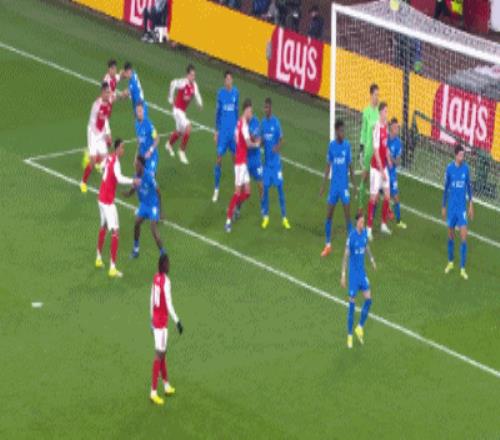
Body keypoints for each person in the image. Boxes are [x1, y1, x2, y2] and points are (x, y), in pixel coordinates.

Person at [96, 139, 138, 278]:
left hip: (101, 198)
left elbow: (101, 167)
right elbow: (119, 179)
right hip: (107, 202)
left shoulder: (109, 157)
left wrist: (106, 175)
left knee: (104, 226)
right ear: (117, 149)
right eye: (122, 147)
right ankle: (112, 268)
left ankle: (98, 258)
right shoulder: (116, 162)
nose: (123, 150)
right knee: (115, 232)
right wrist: (133, 181)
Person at [149, 254, 183, 405]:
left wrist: (151, 319)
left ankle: (166, 385)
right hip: (162, 322)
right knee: (159, 355)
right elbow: (169, 304)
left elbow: (151, 299)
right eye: (167, 263)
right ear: (163, 265)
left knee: (162, 353)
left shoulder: (156, 277)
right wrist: (177, 321)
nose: (169, 265)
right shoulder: (166, 282)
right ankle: (153, 392)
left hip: (156, 320)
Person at [319, 119, 355, 257]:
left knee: (348, 217)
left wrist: (354, 185)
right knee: (329, 215)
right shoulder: (331, 146)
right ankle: (328, 245)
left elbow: (350, 166)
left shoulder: (347, 146)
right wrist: (323, 185)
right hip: (334, 187)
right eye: (340, 131)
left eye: (343, 130)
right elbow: (328, 167)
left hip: (344, 187)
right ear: (336, 131)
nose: (343, 133)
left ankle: (351, 245)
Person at [341, 212, 376, 349]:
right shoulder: (352, 237)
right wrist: (343, 275)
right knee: (352, 305)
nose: (363, 224)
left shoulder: (364, 233)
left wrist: (372, 260)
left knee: (369, 299)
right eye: (361, 222)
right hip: (353, 276)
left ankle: (360, 327)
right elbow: (345, 256)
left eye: (364, 221)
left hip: (362, 273)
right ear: (357, 223)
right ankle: (349, 335)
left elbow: (366, 247)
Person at [225, 99, 259, 233]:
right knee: (237, 192)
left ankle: (233, 207)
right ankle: (228, 220)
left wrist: (242, 144)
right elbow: (249, 144)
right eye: (250, 111)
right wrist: (257, 144)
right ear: (246, 110)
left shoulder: (239, 122)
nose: (251, 114)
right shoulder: (244, 125)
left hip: (242, 161)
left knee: (248, 192)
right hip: (240, 163)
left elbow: (236, 138)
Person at [123, 156, 166, 259]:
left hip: (153, 206)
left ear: (142, 166)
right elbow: (133, 188)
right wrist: (127, 194)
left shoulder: (149, 177)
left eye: (137, 165)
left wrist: (161, 210)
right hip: (144, 205)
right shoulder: (135, 176)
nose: (135, 167)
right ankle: (136, 250)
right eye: (135, 165)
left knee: (153, 229)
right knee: (137, 223)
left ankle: (163, 253)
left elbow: (159, 192)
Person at [442, 145, 473, 280]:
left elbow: (469, 188)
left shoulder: (466, 169)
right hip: (451, 209)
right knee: (450, 236)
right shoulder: (449, 169)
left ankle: (462, 268)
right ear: (455, 155)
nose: (462, 157)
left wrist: (471, 204)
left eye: (463, 155)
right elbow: (445, 189)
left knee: (464, 237)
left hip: (461, 209)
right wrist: (443, 206)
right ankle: (450, 262)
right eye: (460, 155)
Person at [260, 98, 290, 230]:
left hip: (276, 164)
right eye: (264, 107)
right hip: (267, 164)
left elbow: (282, 139)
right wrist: (258, 144)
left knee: (280, 190)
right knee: (265, 190)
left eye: (267, 107)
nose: (265, 110)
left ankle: (284, 218)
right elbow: (262, 141)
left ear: (271, 108)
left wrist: (277, 148)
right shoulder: (263, 123)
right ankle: (266, 216)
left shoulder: (276, 123)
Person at [165, 64, 203, 165]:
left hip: (182, 112)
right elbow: (173, 83)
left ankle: (169, 144)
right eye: (191, 75)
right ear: (187, 75)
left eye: (194, 75)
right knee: (188, 127)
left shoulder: (194, 85)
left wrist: (200, 103)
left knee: (180, 131)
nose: (193, 77)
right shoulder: (182, 82)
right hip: (177, 110)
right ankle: (181, 151)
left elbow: (197, 94)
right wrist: (170, 98)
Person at [366, 102, 392, 241]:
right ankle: (368, 229)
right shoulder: (376, 128)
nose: (387, 113)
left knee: (387, 195)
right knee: (374, 198)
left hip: (384, 167)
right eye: (385, 111)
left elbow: (385, 146)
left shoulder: (386, 126)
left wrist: (388, 157)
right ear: (381, 112)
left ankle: (383, 224)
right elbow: (376, 151)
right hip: (376, 169)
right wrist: (382, 171)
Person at [80, 82, 112, 194]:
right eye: (107, 92)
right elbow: (94, 123)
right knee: (93, 161)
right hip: (93, 133)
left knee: (105, 159)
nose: (108, 94)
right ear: (102, 92)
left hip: (101, 133)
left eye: (109, 92)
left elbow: (105, 119)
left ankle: (91, 156)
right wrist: (103, 135)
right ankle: (83, 182)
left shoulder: (108, 103)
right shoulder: (96, 105)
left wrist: (108, 133)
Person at [213, 71, 239, 203]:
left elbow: (237, 112)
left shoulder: (236, 93)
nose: (229, 81)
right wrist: (216, 131)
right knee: (219, 159)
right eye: (227, 79)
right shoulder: (220, 94)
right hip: (223, 133)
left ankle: (237, 187)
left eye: (230, 79)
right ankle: (216, 189)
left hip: (232, 133)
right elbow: (217, 114)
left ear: (232, 80)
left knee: (235, 161)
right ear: (224, 81)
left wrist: (238, 131)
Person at [358, 84, 380, 214]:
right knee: (364, 178)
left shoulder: (379, 112)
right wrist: (361, 149)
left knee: (376, 182)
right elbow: (363, 131)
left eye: (378, 95)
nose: (377, 97)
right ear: (371, 95)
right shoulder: (366, 112)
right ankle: (360, 207)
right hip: (368, 151)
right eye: (376, 94)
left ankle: (372, 210)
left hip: (377, 152)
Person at [387, 118, 407, 229]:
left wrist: (390, 157)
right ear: (391, 128)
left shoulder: (398, 143)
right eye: (395, 127)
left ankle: (398, 221)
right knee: (378, 195)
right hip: (382, 171)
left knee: (395, 197)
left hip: (392, 173)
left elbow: (398, 162)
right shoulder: (384, 138)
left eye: (398, 127)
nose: (397, 129)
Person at [135, 103, 159, 174]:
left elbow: (157, 138)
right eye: (137, 111)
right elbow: (139, 141)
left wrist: (150, 151)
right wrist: (136, 156)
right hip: (142, 157)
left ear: (143, 111)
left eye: (140, 111)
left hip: (151, 156)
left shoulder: (149, 124)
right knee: (142, 177)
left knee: (150, 176)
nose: (139, 113)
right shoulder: (136, 123)